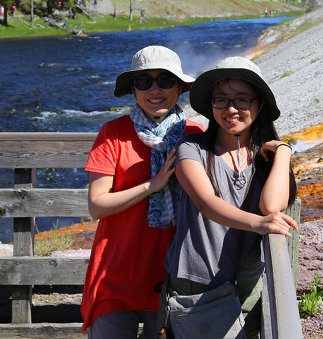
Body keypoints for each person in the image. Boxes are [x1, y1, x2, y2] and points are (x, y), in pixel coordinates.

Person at [160, 56, 298, 338]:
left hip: (247, 284)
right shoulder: (192, 148)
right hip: (197, 285)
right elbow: (206, 202)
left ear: (259, 105)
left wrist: (283, 152)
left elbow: (271, 206)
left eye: (242, 100)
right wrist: (258, 224)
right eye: (220, 100)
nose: (231, 109)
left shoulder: (267, 157)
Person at [81, 45, 205, 339]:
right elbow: (97, 205)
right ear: (133, 89)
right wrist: (153, 184)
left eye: (164, 80)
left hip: (172, 272)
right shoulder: (113, 132)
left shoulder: (196, 134)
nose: (154, 89)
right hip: (116, 271)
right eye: (143, 81)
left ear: (180, 87)